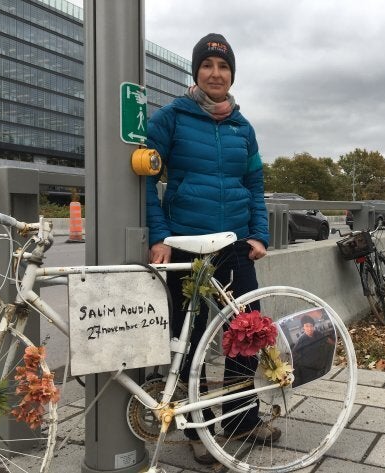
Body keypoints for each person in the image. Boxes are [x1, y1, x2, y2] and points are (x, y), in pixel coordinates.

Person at [145, 33, 279, 465]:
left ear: (231, 74)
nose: (216, 74)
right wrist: (159, 236)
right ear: (196, 72)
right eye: (208, 66)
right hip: (187, 245)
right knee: (191, 339)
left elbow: (254, 185)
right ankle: (196, 428)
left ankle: (242, 421)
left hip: (236, 245)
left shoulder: (244, 126)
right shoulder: (172, 118)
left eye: (223, 67)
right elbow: (147, 178)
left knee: (248, 334)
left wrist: (259, 233)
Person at [291, 315, 335, 387]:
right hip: (309, 371)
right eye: (307, 326)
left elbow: (328, 340)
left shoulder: (317, 333)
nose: (309, 328)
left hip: (323, 366)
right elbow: (294, 357)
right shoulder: (301, 341)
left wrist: (336, 345)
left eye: (311, 326)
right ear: (303, 328)